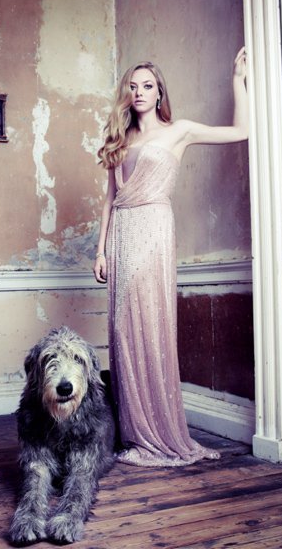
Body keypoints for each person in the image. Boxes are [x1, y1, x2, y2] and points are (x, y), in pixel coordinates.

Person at [93, 47, 248, 467]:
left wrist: (237, 81)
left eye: (148, 86)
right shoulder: (121, 139)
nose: (140, 92)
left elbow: (241, 131)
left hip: (154, 228)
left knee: (149, 320)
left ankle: (158, 431)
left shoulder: (179, 130)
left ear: (159, 92)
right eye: (133, 86)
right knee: (124, 327)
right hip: (122, 232)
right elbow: (109, 199)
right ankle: (135, 430)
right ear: (126, 92)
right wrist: (100, 249)